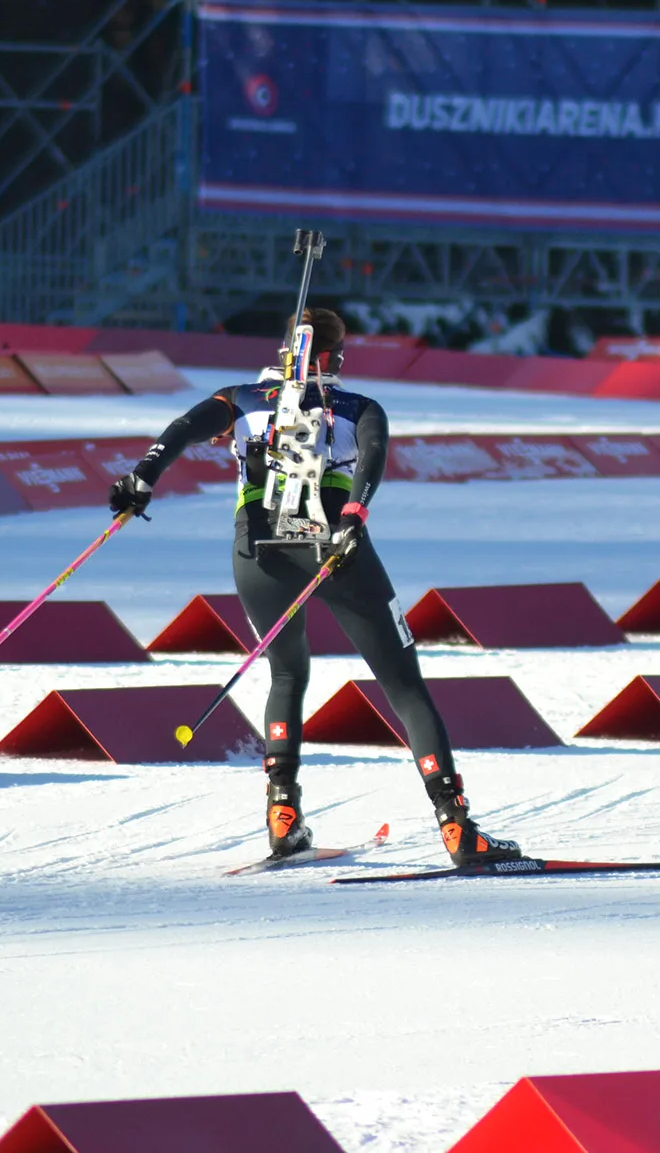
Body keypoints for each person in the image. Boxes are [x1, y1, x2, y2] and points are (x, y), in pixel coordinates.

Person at [108, 308, 523, 867]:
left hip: (257, 554)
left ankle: (283, 817)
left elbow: (182, 430)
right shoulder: (359, 407)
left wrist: (141, 480)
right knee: (403, 685)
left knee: (286, 673)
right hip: (335, 548)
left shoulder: (241, 397)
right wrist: (352, 513)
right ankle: (456, 827)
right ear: (337, 359)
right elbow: (372, 456)